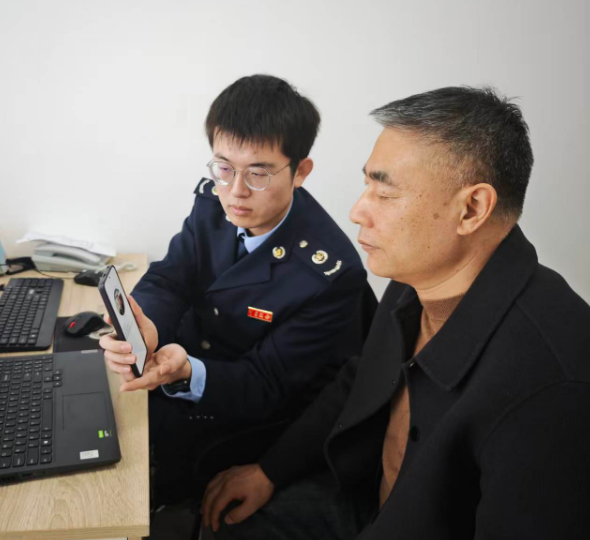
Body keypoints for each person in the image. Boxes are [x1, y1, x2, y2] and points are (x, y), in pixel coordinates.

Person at [202, 86, 590, 539]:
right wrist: (270, 471)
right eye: (367, 184)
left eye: (385, 194)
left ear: (471, 209)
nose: (357, 212)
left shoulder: (552, 384)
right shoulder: (416, 277)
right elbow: (362, 378)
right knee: (221, 524)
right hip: (366, 499)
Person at [100, 75, 374, 505]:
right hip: (181, 364)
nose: (236, 191)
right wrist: (147, 324)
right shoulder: (214, 201)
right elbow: (171, 277)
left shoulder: (329, 273)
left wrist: (187, 371)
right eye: (224, 168)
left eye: (259, 173)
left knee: (116, 476)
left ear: (300, 172)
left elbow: (266, 383)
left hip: (243, 408)